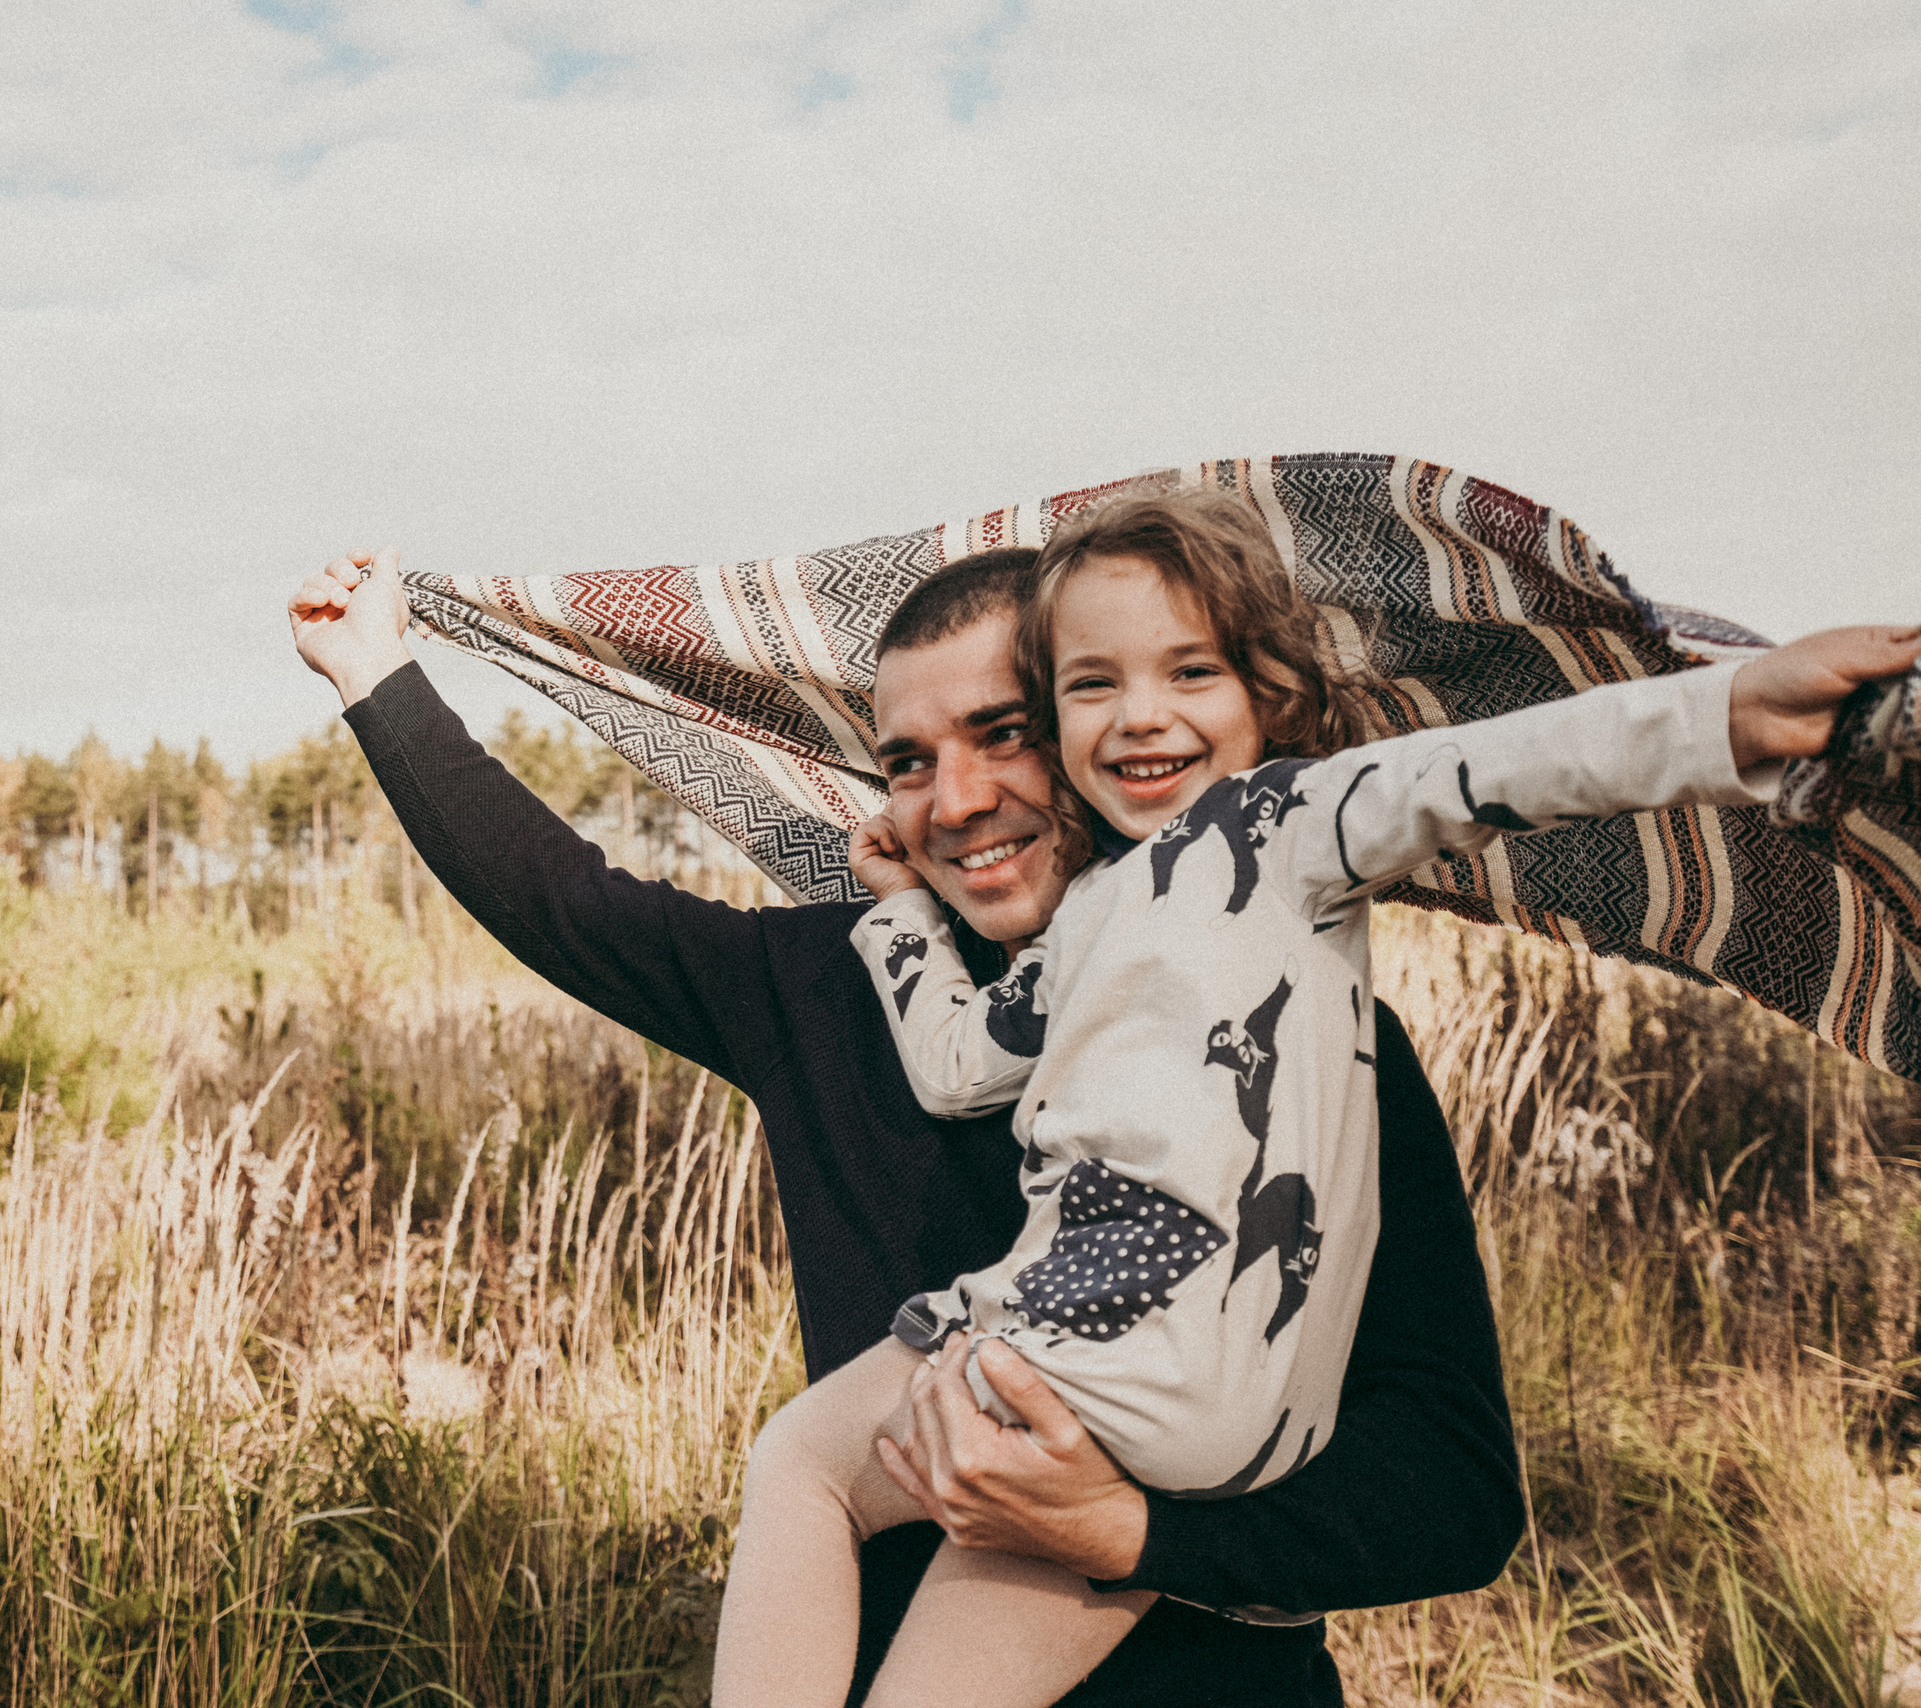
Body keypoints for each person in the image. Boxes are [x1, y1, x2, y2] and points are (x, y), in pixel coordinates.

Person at [708, 489, 1921, 1708]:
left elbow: (1495, 766)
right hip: (1204, 1413)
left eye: (1189, 672)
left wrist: (1734, 712)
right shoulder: (1088, 924)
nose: (1140, 716)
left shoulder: (1280, 823)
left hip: (1097, 1358)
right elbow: (962, 1061)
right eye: (1090, 686)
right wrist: (908, 912)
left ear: (1270, 703)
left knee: (799, 1464)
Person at [287, 541, 1523, 1707]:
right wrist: (375, 675)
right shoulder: (821, 987)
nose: (959, 800)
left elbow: (1454, 1490)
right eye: (909, 761)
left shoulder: (1289, 1031)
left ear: (1098, 734)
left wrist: (1130, 1531)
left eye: (1005, 735)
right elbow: (568, 905)